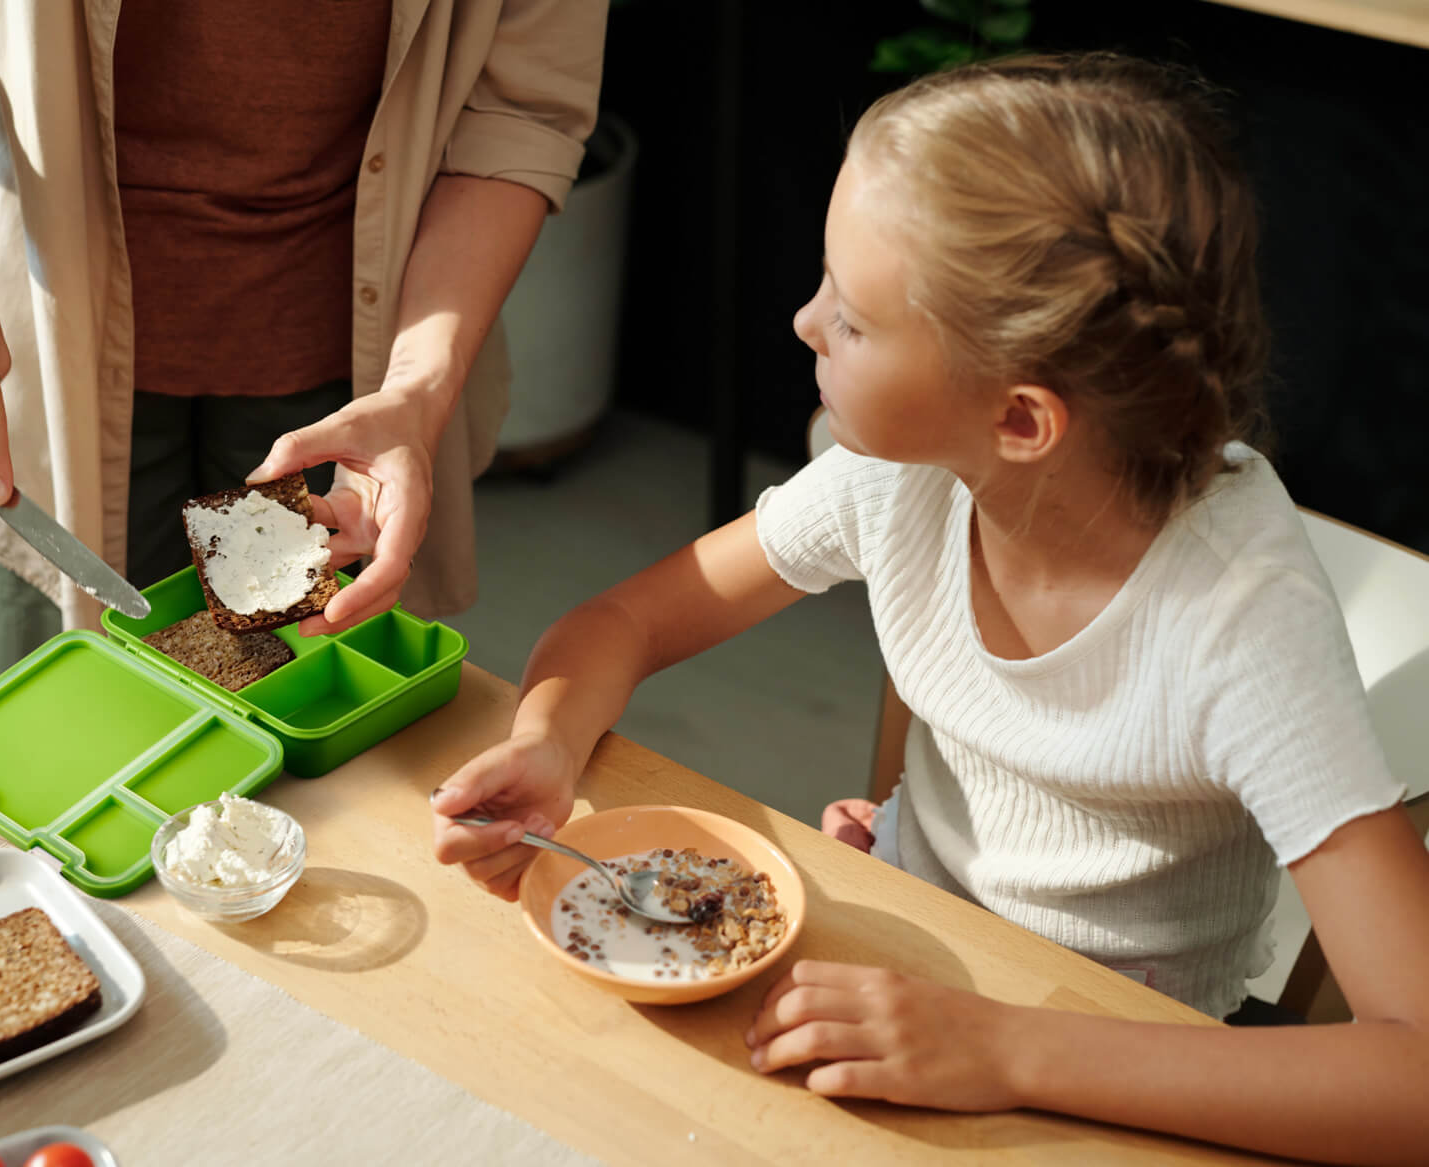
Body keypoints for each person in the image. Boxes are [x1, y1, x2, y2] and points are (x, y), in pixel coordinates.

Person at [429, 52, 1429, 1164]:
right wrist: (547, 744)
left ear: (1018, 421)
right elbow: (625, 624)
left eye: (851, 318)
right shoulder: (899, 476)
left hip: (1108, 1051)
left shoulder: (1239, 627)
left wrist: (1000, 1049)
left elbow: (1414, 1076)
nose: (804, 324)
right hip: (911, 952)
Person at [0, 1, 606, 695]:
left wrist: (418, 389)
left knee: (310, 744)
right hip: (35, 355)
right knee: (70, 727)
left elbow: (519, 110)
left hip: (344, 379)